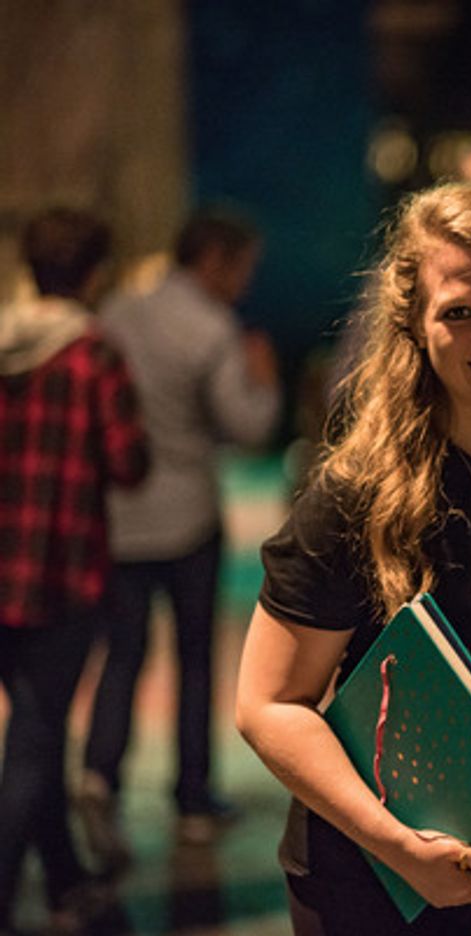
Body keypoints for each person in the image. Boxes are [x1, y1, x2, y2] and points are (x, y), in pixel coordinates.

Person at [235, 180, 471, 935]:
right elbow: (268, 705)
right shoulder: (358, 495)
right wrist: (401, 849)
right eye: (460, 314)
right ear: (413, 326)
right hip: (377, 882)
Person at [76, 208, 282, 866]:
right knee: (195, 659)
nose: (246, 284)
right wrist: (265, 378)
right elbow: (247, 428)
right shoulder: (213, 328)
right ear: (216, 260)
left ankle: (99, 775)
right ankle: (191, 797)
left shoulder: (117, 313)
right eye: (243, 268)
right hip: (189, 516)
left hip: (119, 515)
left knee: (123, 653)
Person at [0, 208, 149, 934]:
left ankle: (63, 882)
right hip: (59, 576)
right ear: (93, 273)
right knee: (34, 738)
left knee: (39, 734)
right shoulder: (93, 354)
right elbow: (129, 464)